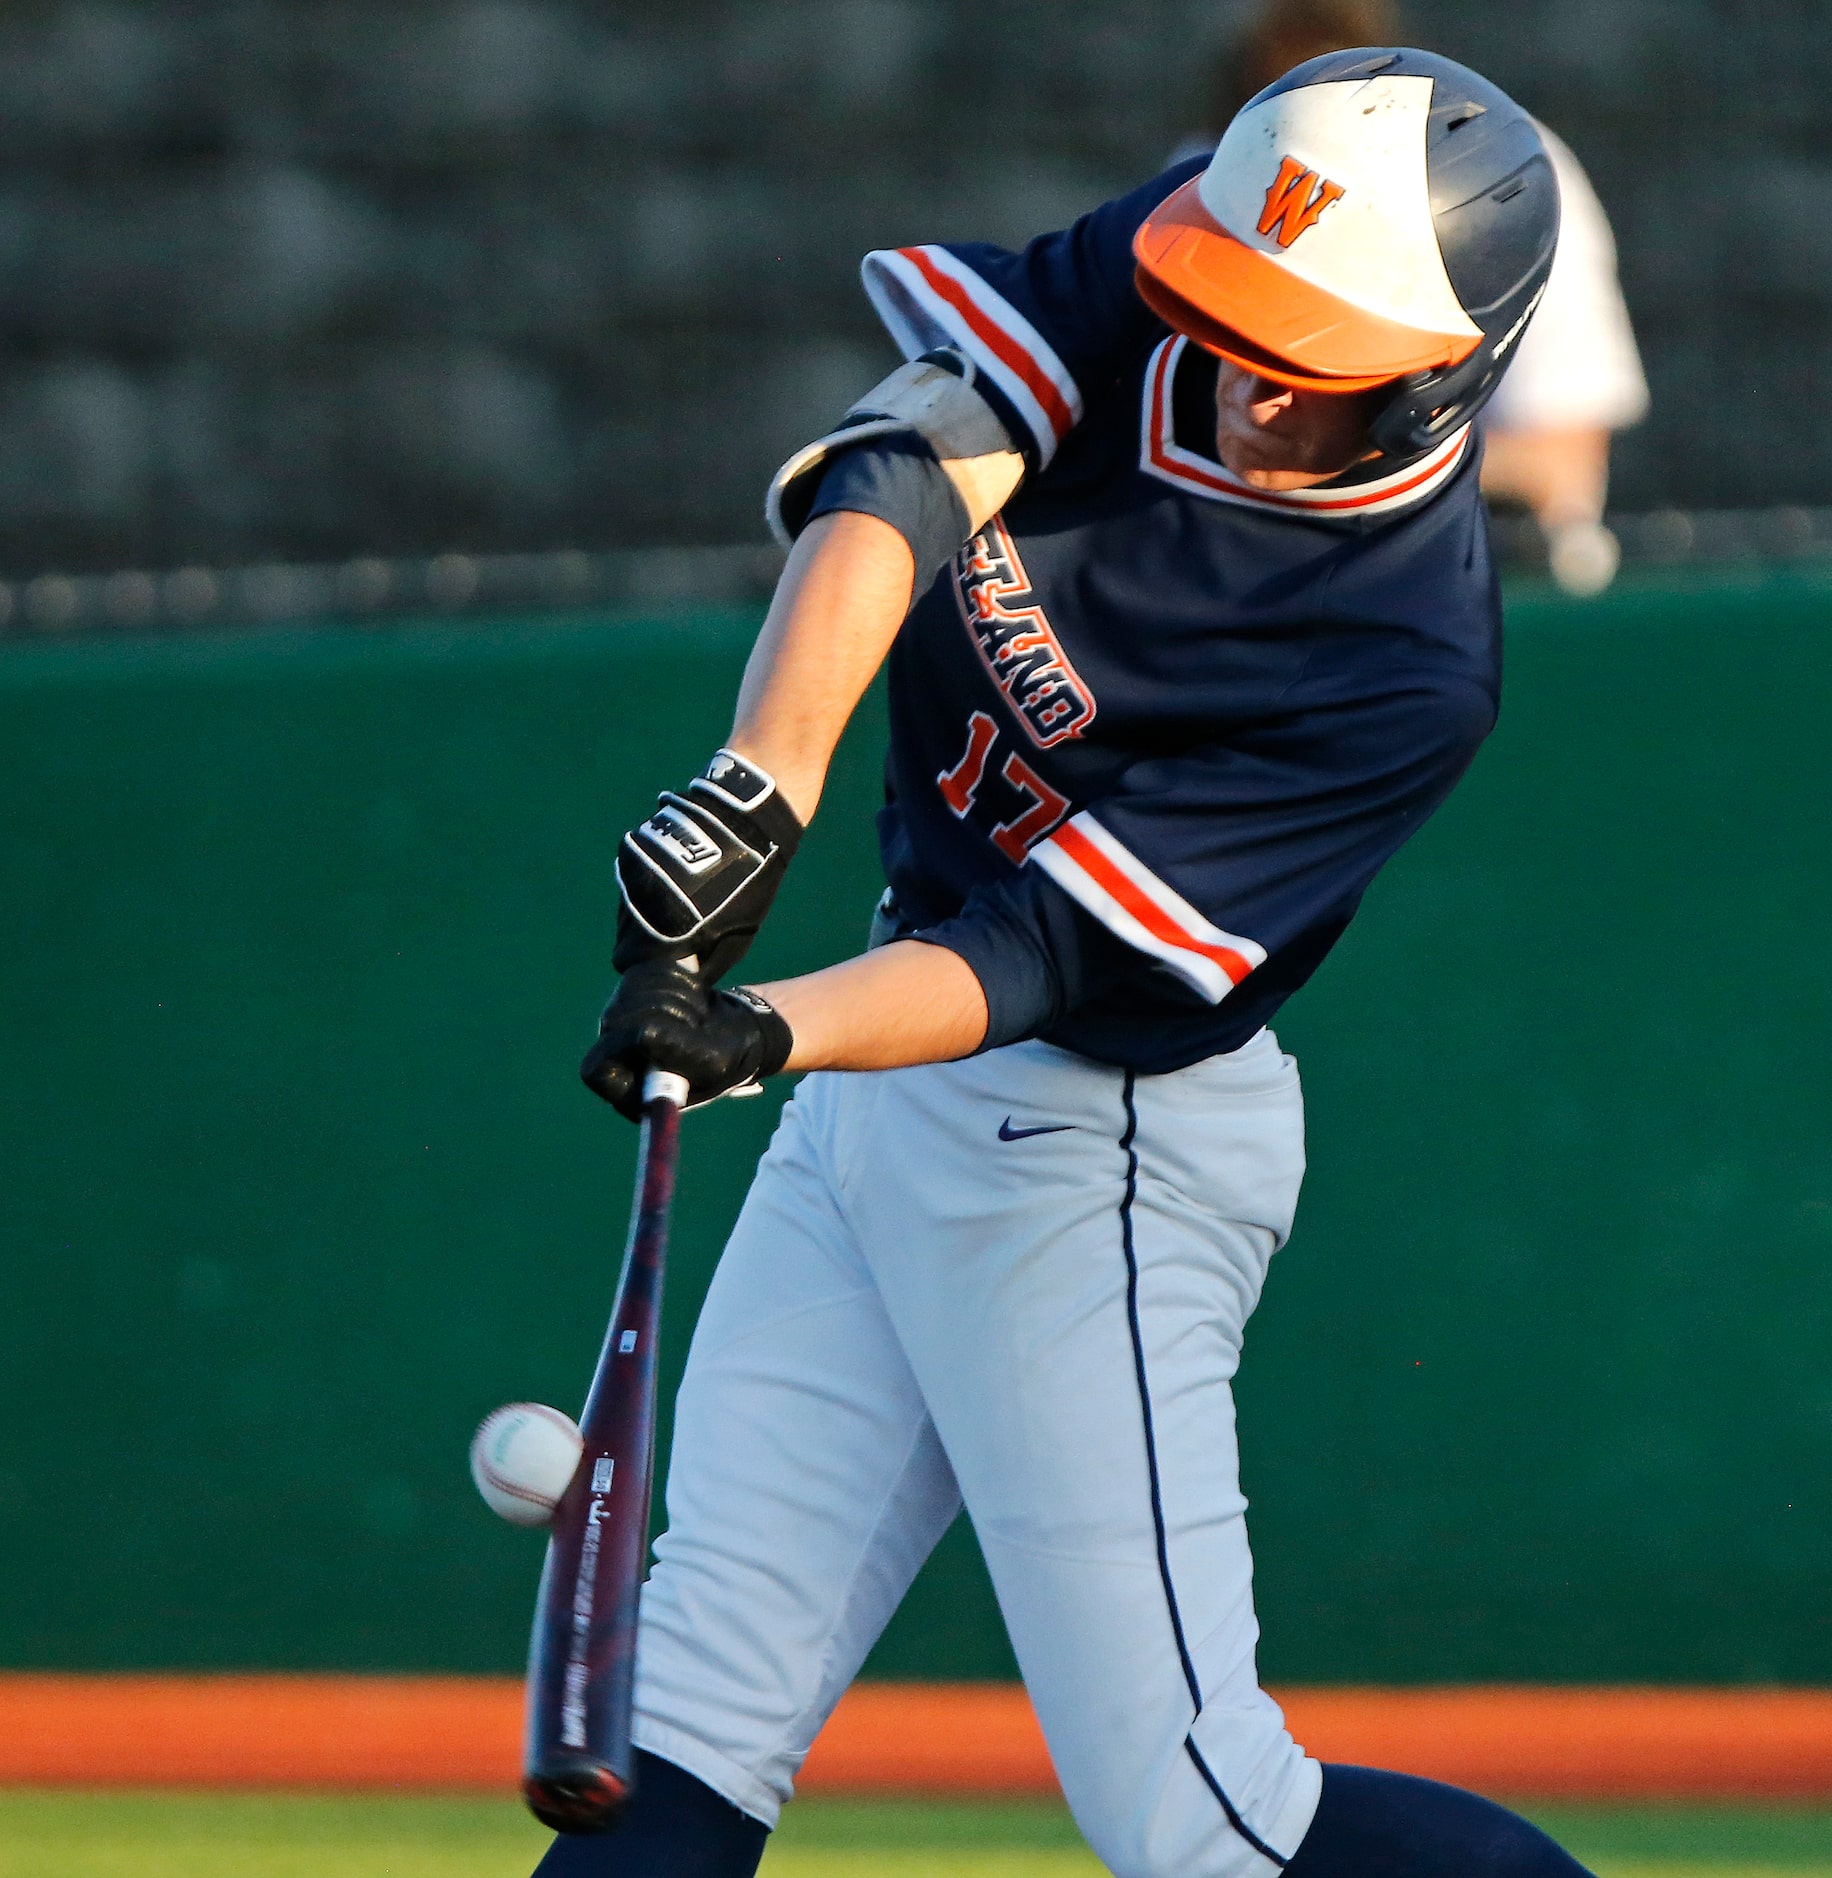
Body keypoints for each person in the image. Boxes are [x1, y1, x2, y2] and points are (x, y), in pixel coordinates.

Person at [544, 46, 1596, 1878]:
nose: (1250, 366)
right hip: (887, 1101)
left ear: (1447, 369)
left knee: (1204, 1819)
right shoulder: (1209, 242)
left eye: (1314, 350)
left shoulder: (1401, 660)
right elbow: (916, 460)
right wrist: (754, 790)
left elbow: (1038, 950)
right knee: (681, 1732)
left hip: (1089, 1152)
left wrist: (760, 1028)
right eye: (1241, 311)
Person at [1201, 0, 1649, 594]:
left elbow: (1559, 470)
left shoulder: (1498, 181)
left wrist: (1341, 456)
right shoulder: (1218, 162)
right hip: (1231, 579)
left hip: (1465, 583)